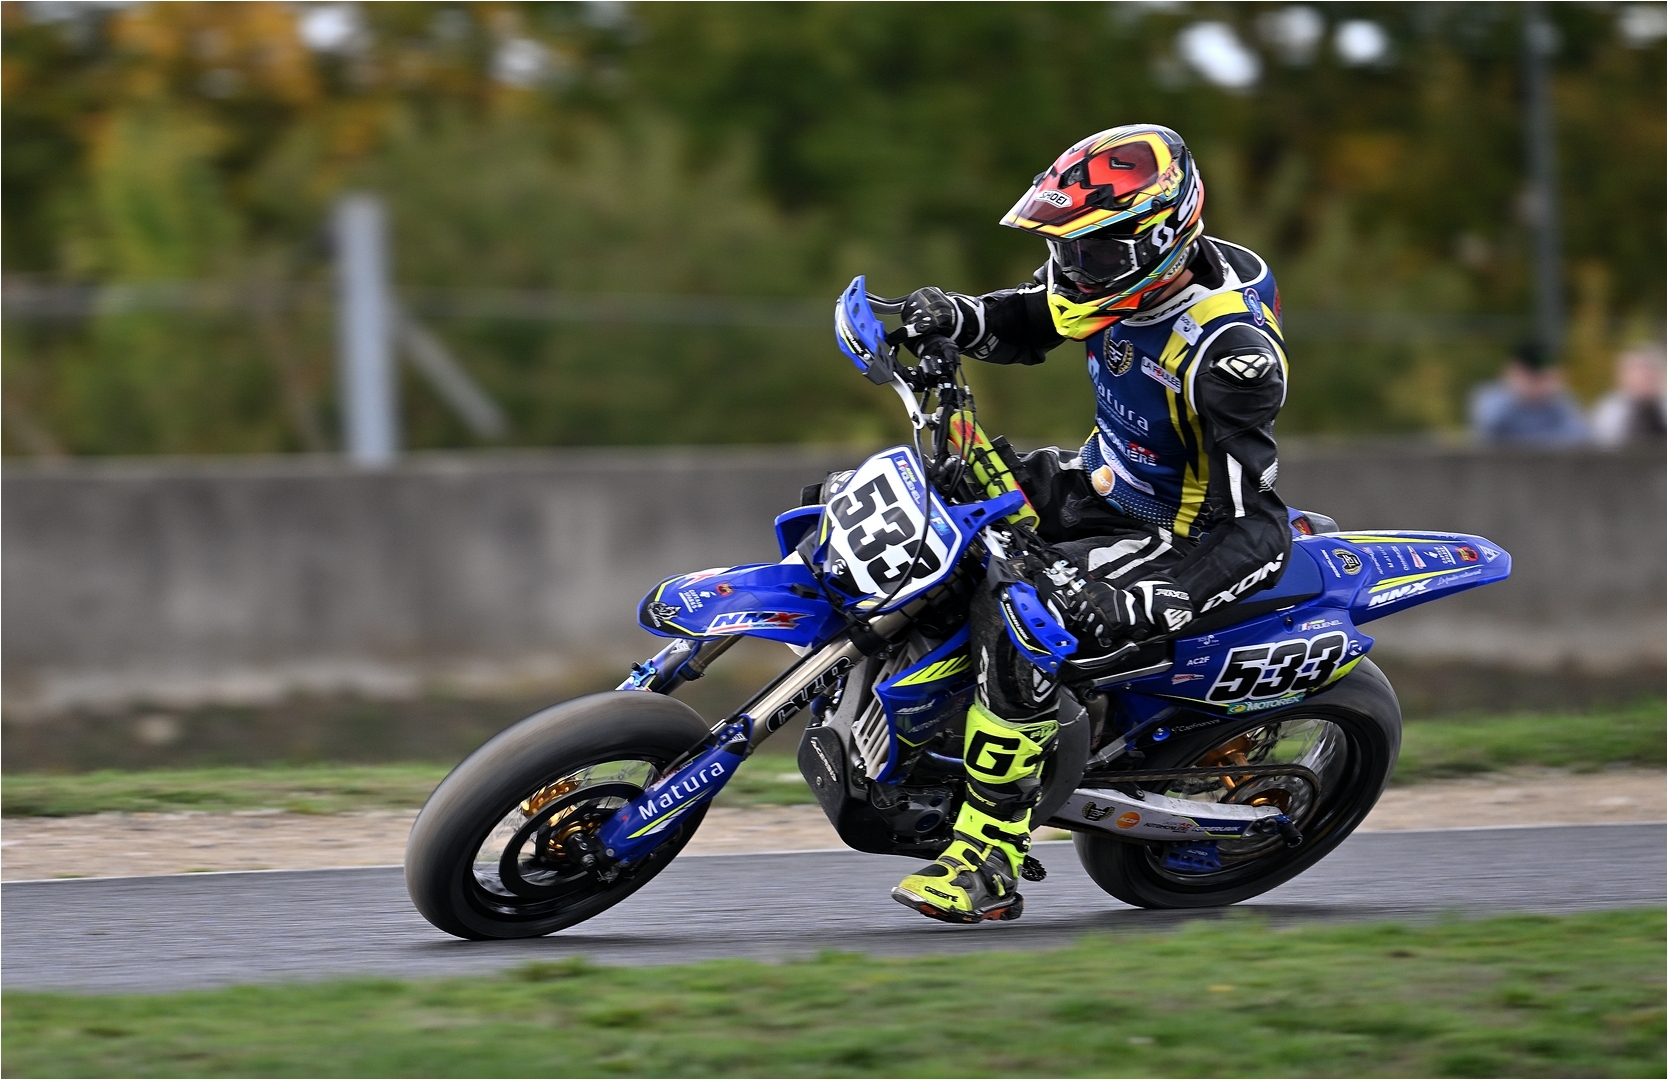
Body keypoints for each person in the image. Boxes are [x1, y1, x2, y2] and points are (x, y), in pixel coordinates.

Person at [885, 125, 1294, 923]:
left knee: (1021, 623)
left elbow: (1257, 527)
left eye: (1095, 251)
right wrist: (956, 318)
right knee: (926, 502)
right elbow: (1039, 317)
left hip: (1174, 534)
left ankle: (989, 855)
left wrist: (1153, 597)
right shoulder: (1119, 276)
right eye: (1066, 247)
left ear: (1163, 240)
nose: (1074, 267)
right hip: (1098, 478)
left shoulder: (1230, 357)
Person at [1468, 344, 1589, 447]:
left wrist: (1553, 395)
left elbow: (1580, 435)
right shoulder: (1491, 396)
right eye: (1532, 375)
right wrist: (1517, 394)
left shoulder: (1560, 401)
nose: (1537, 381)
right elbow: (1488, 428)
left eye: (1543, 375)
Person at [1589, 346, 1666, 448]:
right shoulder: (1611, 411)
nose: (1644, 378)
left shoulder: (1663, 407)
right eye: (1638, 373)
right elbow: (1602, 446)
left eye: (1649, 374)